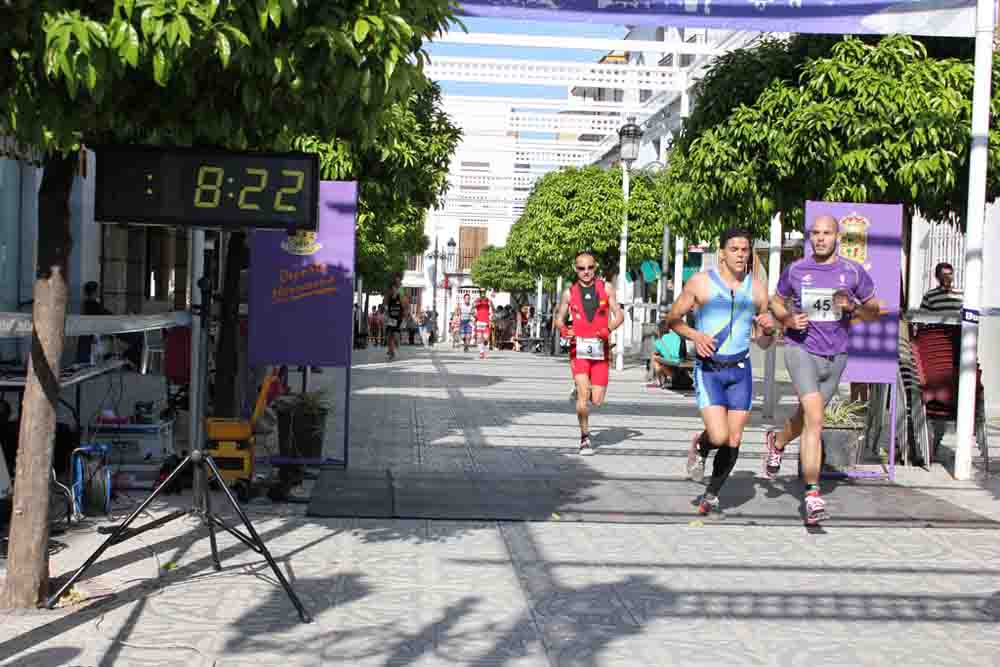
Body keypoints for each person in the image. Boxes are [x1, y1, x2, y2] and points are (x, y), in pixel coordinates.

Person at [764, 214, 882, 525]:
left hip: (837, 355)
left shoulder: (852, 272)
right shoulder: (796, 270)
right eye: (815, 233)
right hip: (800, 349)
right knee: (816, 420)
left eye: (826, 233)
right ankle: (813, 495)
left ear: (837, 237)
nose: (820, 238)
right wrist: (788, 320)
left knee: (805, 419)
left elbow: (874, 313)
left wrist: (854, 307)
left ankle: (777, 442)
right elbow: (775, 302)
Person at [667, 228, 776, 517]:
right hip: (710, 370)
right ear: (723, 253)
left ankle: (712, 493)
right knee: (717, 435)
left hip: (740, 370)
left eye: (745, 249)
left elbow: (764, 342)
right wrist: (695, 336)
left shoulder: (758, 289)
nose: (741, 255)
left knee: (734, 438)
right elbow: (672, 319)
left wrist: (768, 330)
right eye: (735, 249)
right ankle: (700, 444)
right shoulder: (700, 284)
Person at [554, 251, 625, 456]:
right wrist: (564, 329)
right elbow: (559, 317)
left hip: (601, 351)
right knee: (584, 395)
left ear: (596, 268)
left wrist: (609, 328)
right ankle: (584, 438)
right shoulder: (569, 293)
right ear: (575, 269)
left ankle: (579, 391)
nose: (586, 272)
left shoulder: (606, 288)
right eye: (581, 268)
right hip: (579, 350)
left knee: (597, 400)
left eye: (590, 268)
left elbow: (619, 314)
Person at [77, 281, 111, 364]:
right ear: (95, 292)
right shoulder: (93, 304)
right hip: (91, 334)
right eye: (98, 290)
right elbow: (106, 314)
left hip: (86, 334)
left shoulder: (86, 303)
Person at [383, 275, 407, 361]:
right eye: (396, 282)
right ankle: (391, 350)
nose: (398, 283)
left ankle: (395, 345)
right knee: (390, 334)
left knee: (395, 334)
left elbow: (404, 304)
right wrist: (385, 310)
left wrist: (405, 314)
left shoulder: (401, 291)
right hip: (391, 317)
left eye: (399, 281)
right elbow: (385, 302)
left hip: (398, 316)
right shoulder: (389, 291)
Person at [473, 290, 493, 359]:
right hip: (479, 321)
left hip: (486, 321)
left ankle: (484, 348)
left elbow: (493, 309)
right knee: (479, 338)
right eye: (481, 292)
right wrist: (474, 314)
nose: (482, 294)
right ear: (480, 293)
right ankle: (481, 353)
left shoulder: (488, 300)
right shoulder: (477, 300)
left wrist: (491, 304)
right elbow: (472, 308)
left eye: (484, 292)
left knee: (486, 338)